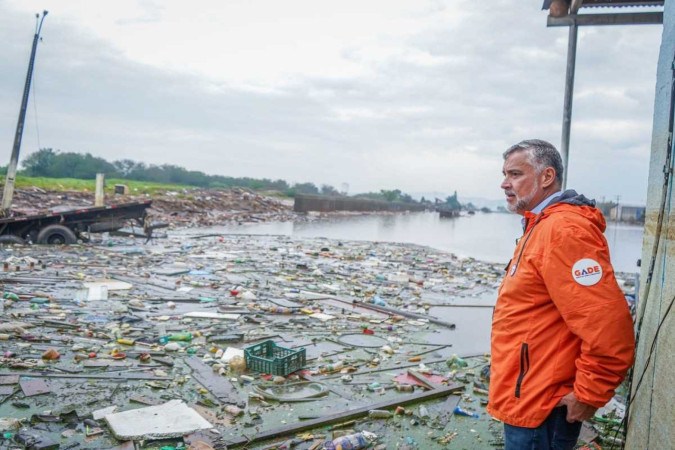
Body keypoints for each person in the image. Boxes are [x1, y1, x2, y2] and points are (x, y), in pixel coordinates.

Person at [488, 139, 635, 450]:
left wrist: (589, 394)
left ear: (546, 176)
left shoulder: (563, 232)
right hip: (525, 395)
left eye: (515, 174)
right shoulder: (538, 227)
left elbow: (608, 325)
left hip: (543, 405)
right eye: (504, 174)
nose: (504, 183)